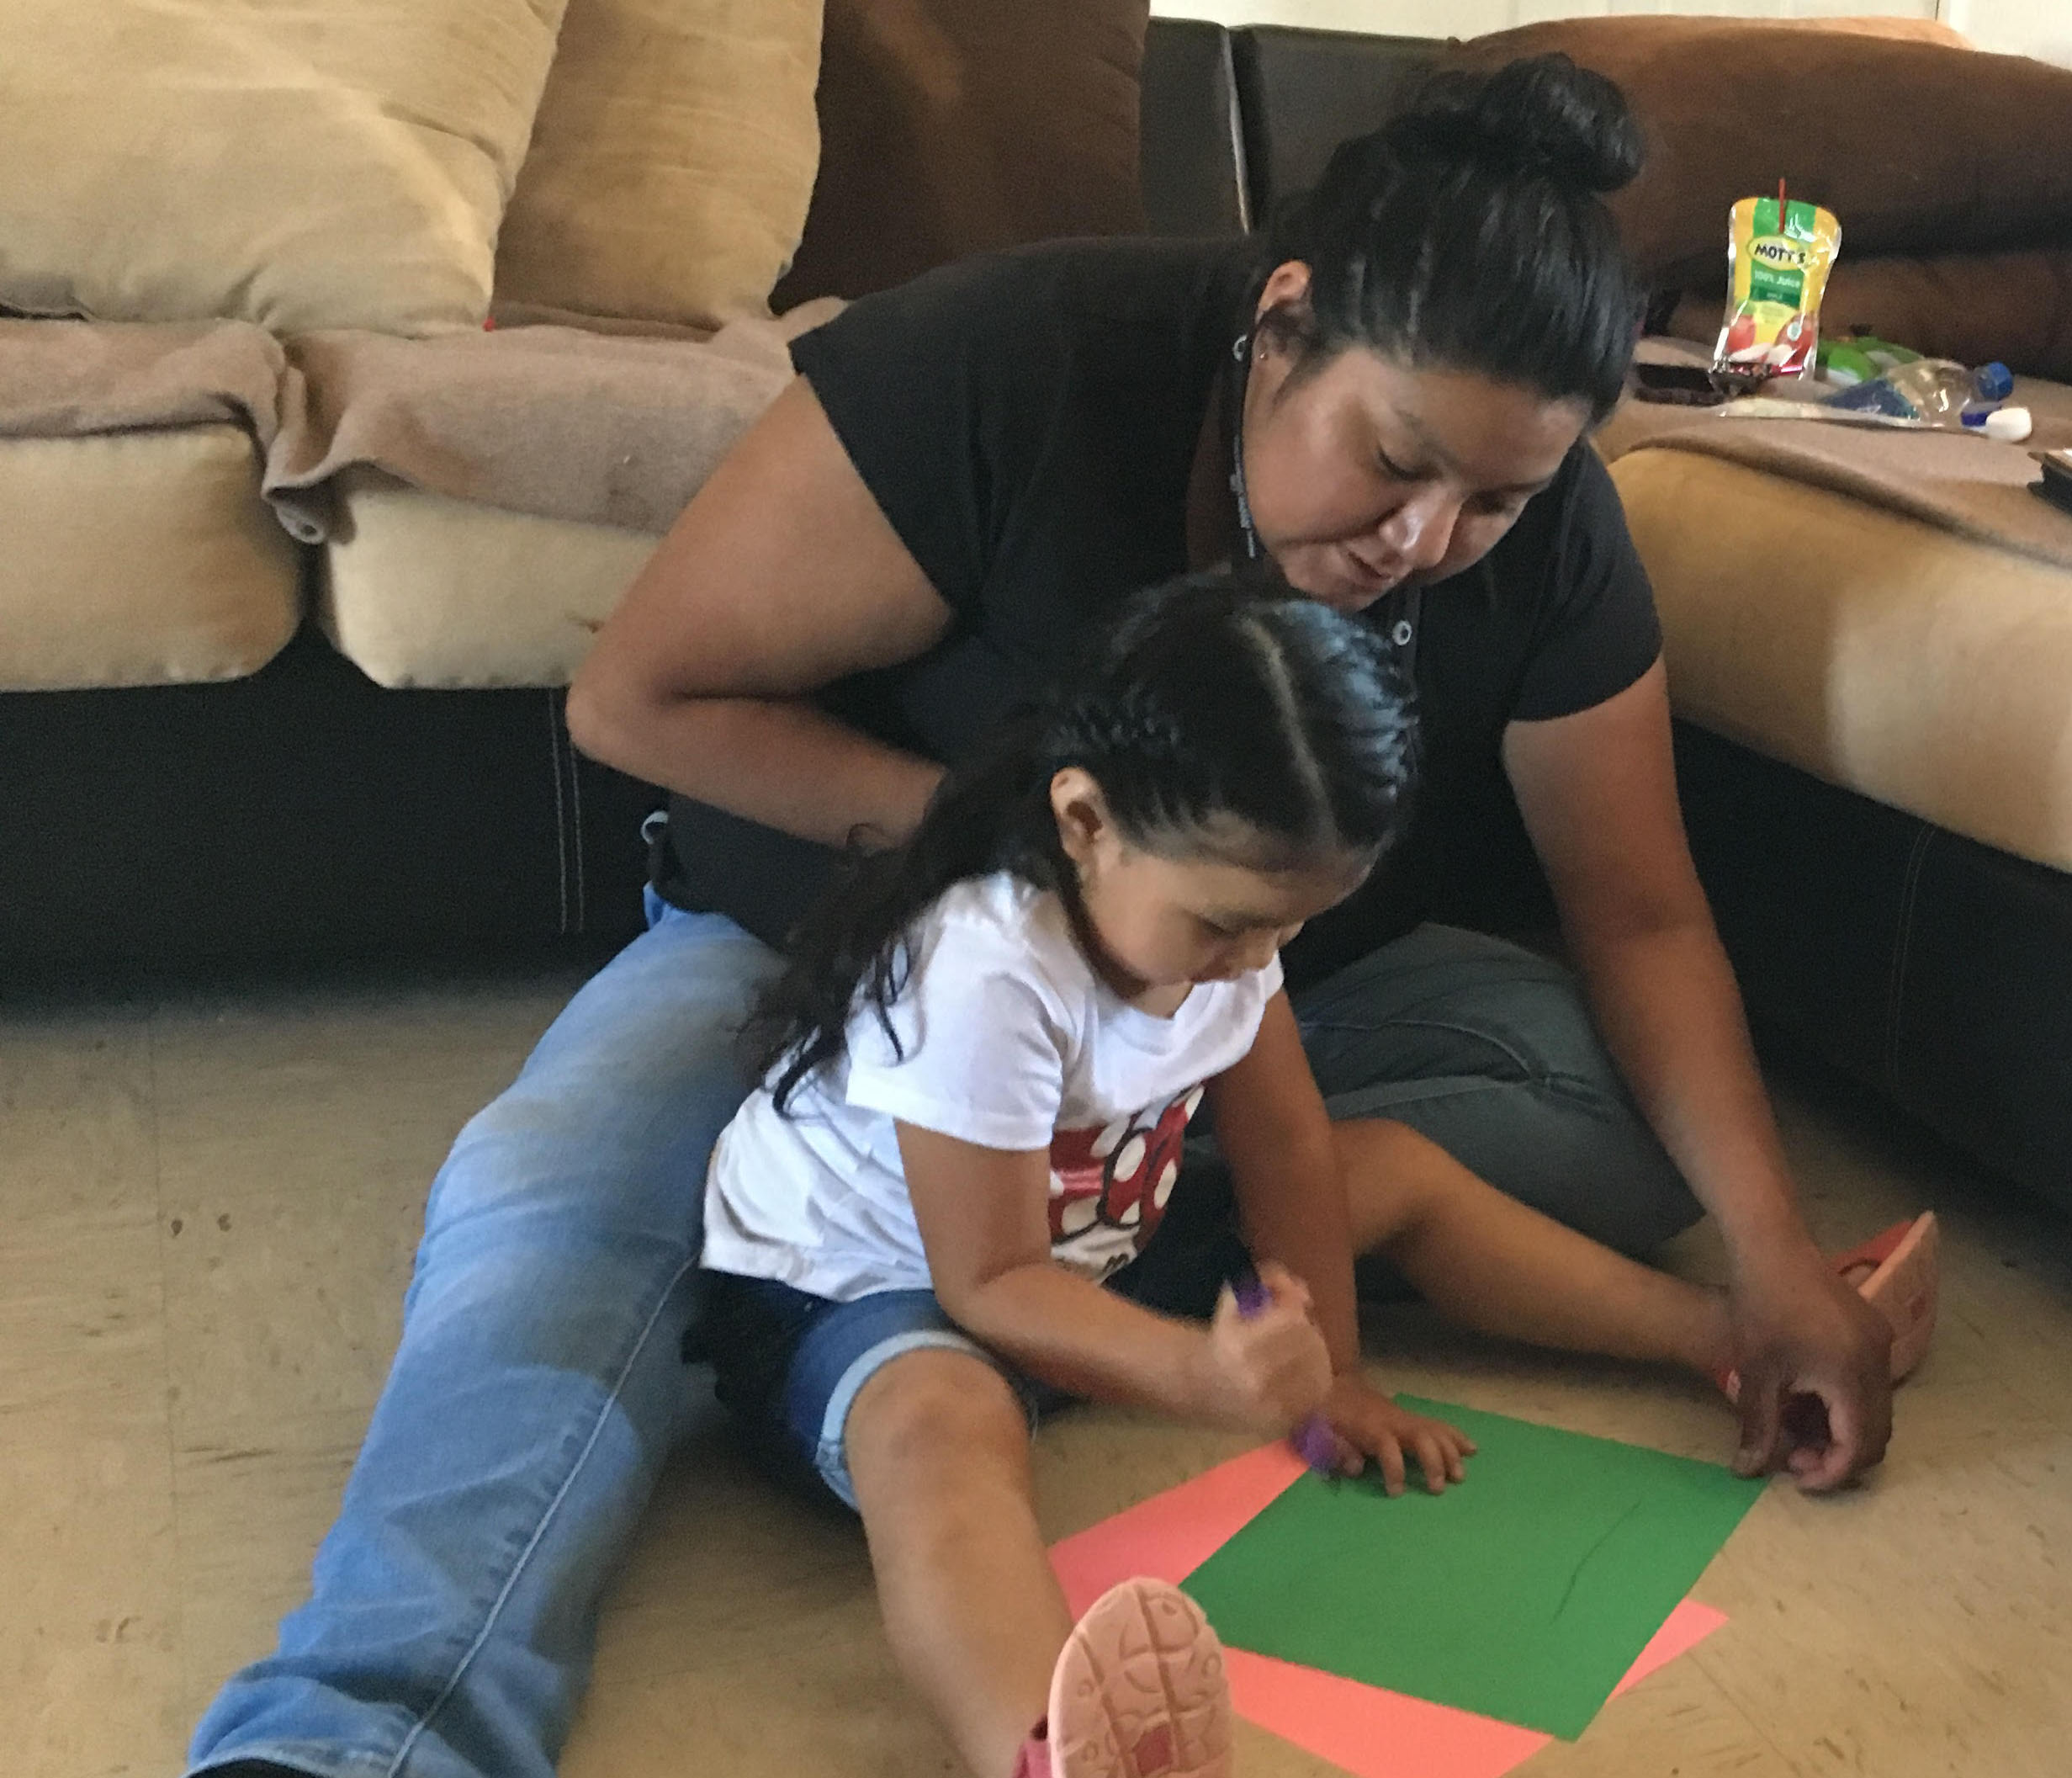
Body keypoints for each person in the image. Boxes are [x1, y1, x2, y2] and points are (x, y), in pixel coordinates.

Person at [186, 55, 1915, 1778]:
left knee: (1606, 1119)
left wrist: (1765, 1268)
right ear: (1288, 319)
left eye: (1499, 500)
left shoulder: (1511, 557)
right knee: (559, 1210)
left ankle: (1134, 1225)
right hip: (839, 948)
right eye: (1395, 463)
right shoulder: (1014, 363)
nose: (1427, 539)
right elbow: (635, 701)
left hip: (1216, 995)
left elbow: (1636, 909)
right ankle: (367, 1727)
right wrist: (1024, 872)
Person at [692, 570, 1868, 1778]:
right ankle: (1041, 1751)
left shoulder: (1229, 933)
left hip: (1091, 1250)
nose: (1252, 962)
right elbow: (988, 1281)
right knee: (944, 1433)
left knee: (1394, 1167)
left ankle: (1734, 1340)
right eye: (1224, 926)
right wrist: (1203, 1375)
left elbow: (1292, 1147)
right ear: (1086, 822)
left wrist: (1331, 1375)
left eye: (1285, 930)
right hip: (863, 1292)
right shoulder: (985, 967)